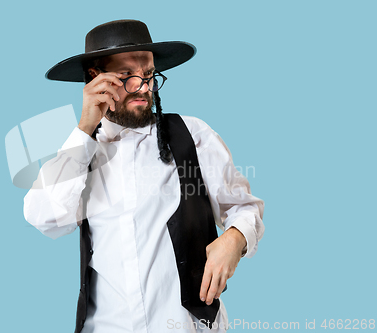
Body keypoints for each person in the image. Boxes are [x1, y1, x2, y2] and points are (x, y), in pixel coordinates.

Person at [24, 19, 265, 333]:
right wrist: (84, 129)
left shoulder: (193, 136)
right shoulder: (81, 151)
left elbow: (245, 208)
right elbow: (46, 219)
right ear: (95, 79)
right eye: (126, 76)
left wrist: (235, 239)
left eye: (149, 75)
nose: (143, 87)